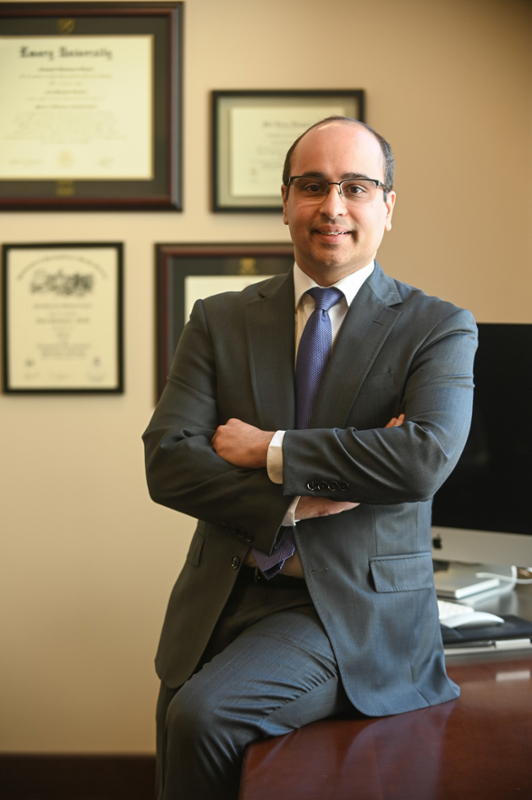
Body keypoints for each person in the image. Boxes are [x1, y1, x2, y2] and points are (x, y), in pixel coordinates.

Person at [143, 116, 478, 800]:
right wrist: (295, 498)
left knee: (205, 717)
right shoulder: (219, 318)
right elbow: (168, 461)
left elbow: (420, 461)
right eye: (313, 185)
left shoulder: (436, 327)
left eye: (356, 186)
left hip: (350, 613)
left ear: (388, 205)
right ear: (286, 199)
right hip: (221, 594)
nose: (333, 206)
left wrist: (267, 450)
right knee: (180, 741)